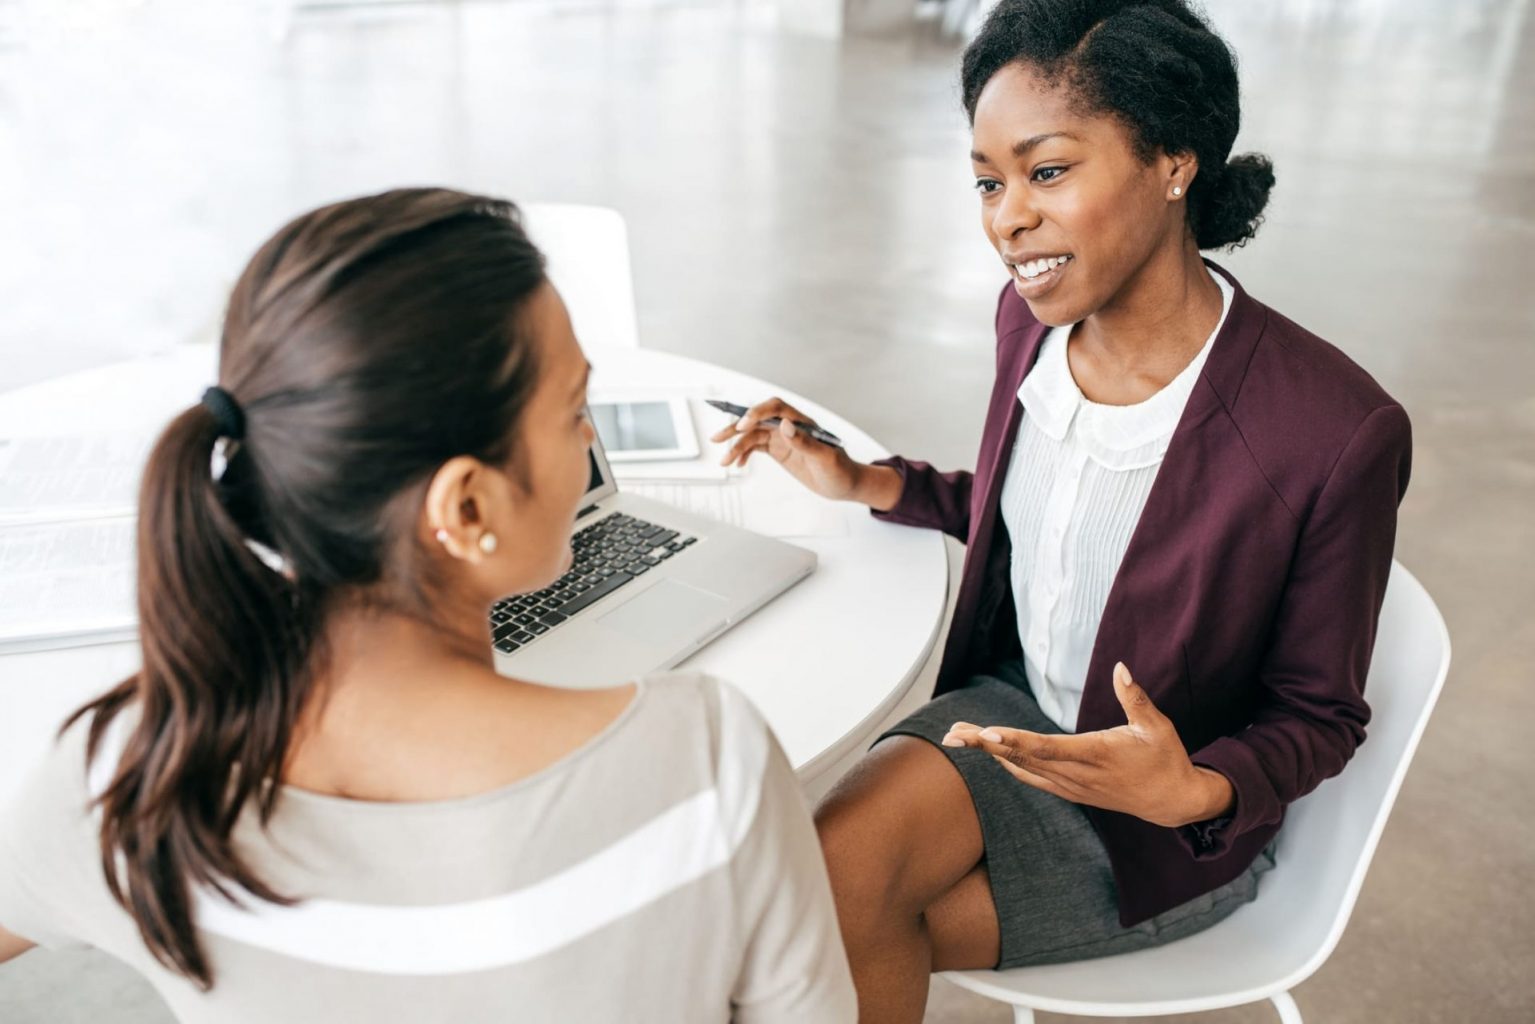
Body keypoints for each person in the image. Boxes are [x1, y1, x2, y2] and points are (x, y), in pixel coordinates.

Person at [0, 188, 855, 1023]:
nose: (591, 439)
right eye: (571, 412)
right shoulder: (706, 763)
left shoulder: (123, 780)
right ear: (467, 508)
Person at [712, 1, 1412, 1020]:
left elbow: (1318, 714)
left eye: (1045, 172)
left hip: (1158, 823)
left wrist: (1191, 791)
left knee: (807, 923)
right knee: (802, 896)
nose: (1005, 217)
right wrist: (868, 482)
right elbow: (1038, 516)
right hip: (1011, 711)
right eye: (988, 182)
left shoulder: (1331, 428)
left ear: (1173, 162)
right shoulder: (1031, 322)